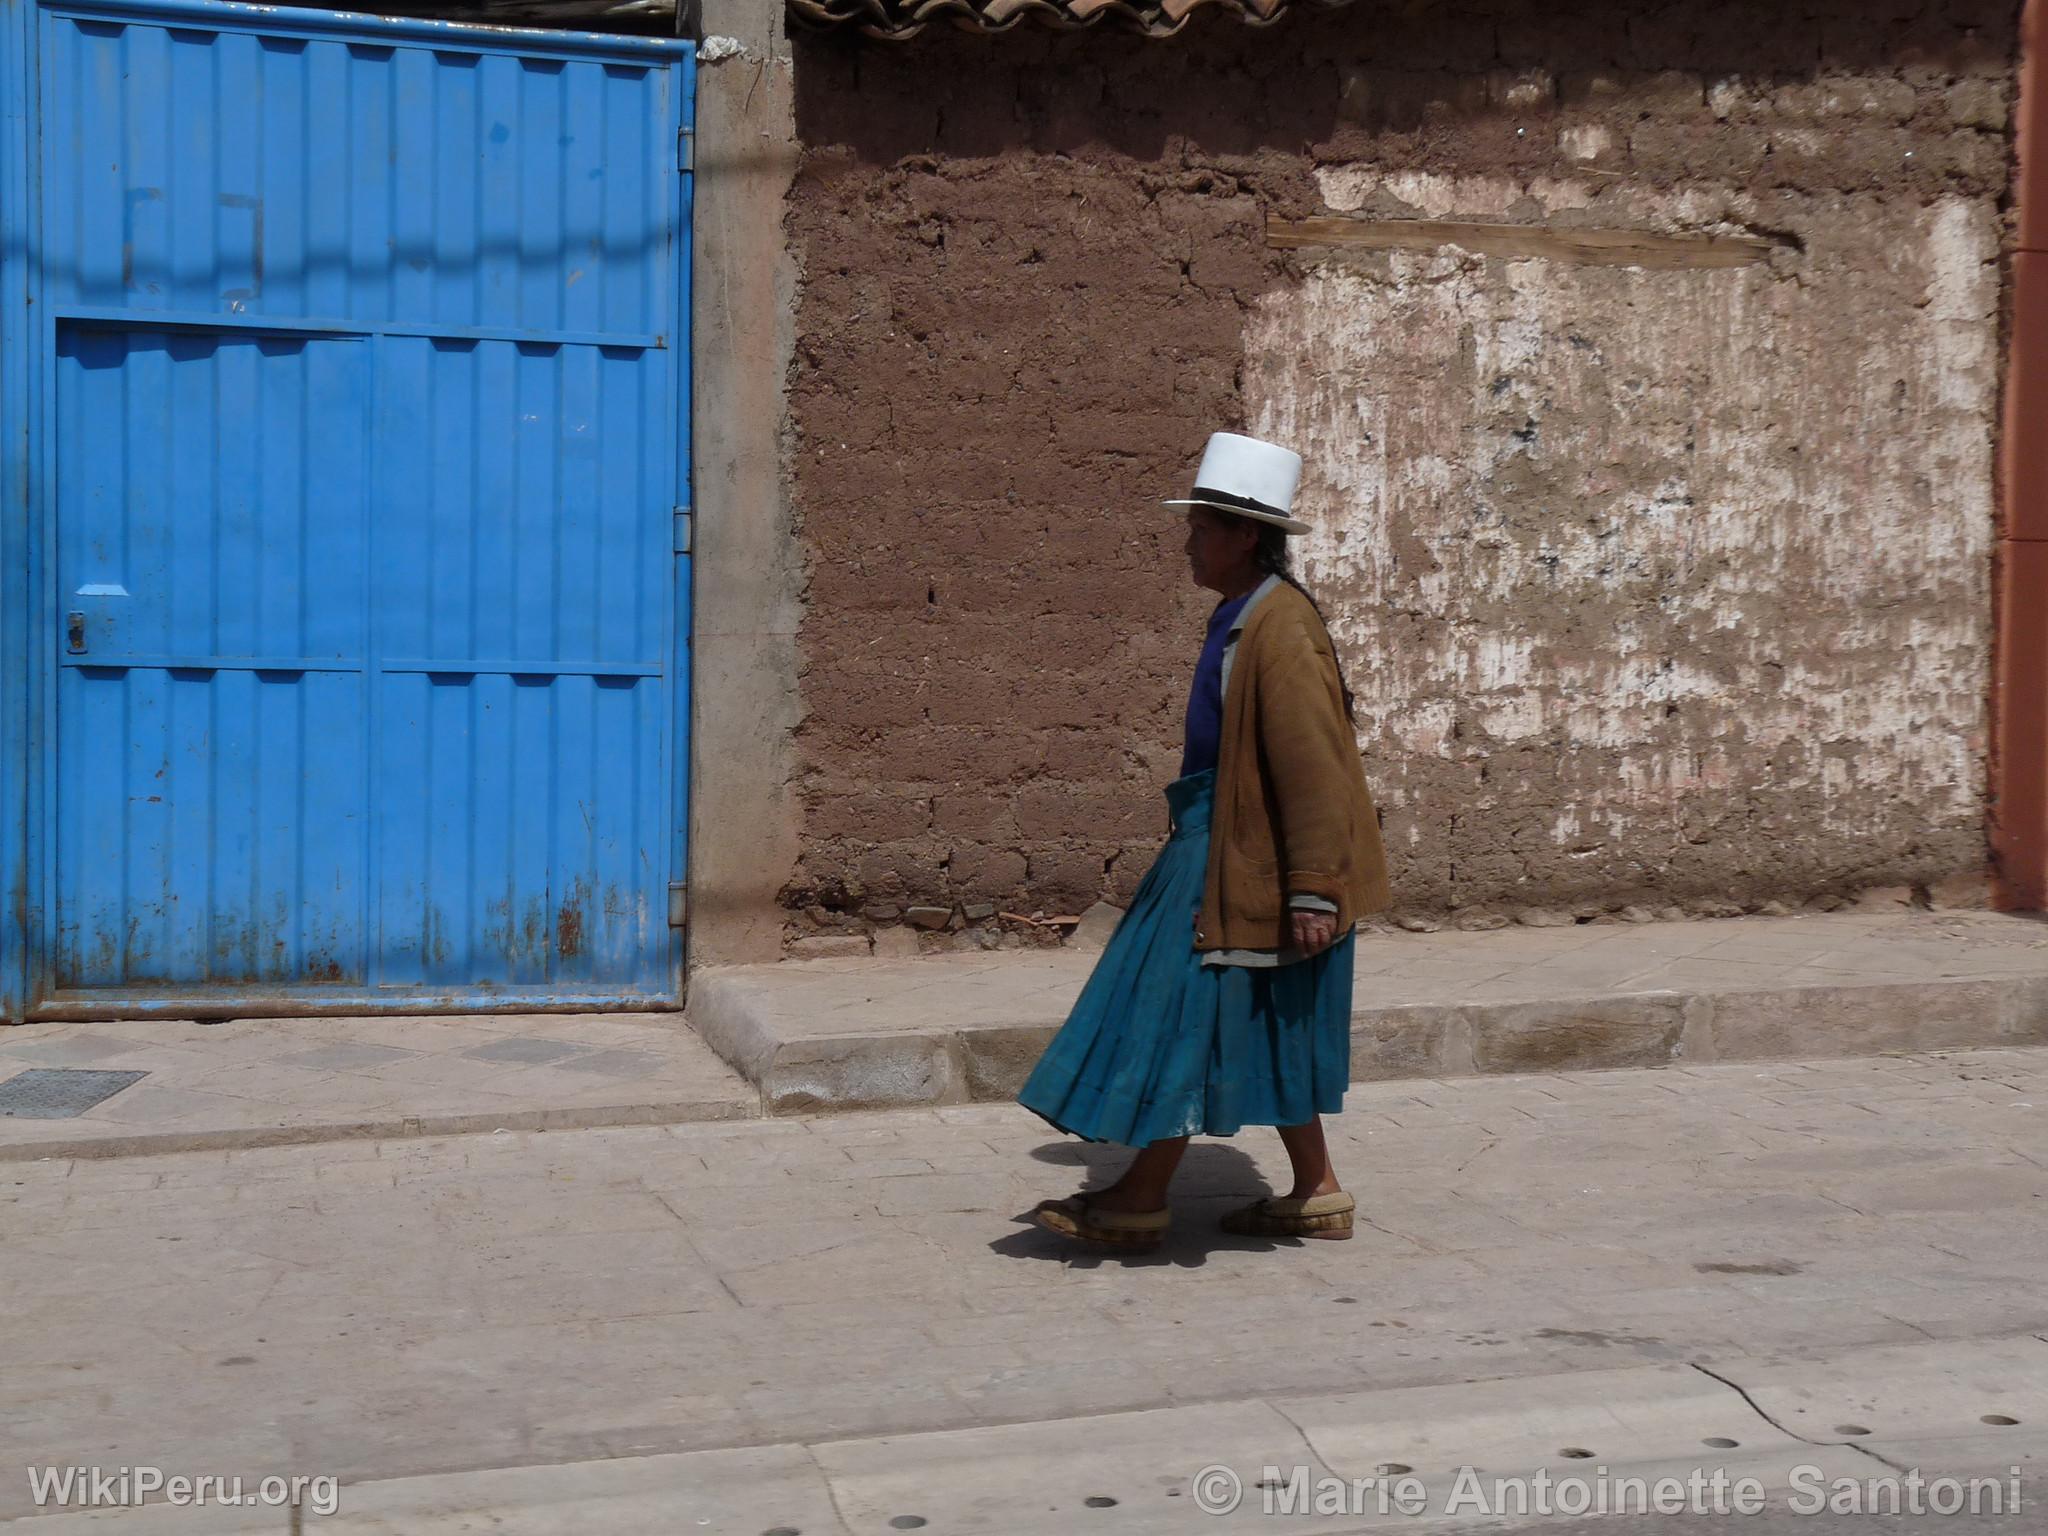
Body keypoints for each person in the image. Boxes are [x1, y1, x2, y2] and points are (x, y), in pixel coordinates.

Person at [1019, 431, 1392, 1249]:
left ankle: (1140, 1197)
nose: (1188, 542)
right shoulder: (1243, 615)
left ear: (1243, 536)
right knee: (1264, 1011)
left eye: (1201, 529)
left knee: (1176, 1012)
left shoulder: (1282, 630)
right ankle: (1317, 1190)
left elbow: (1316, 769)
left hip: (1237, 854)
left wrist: (1310, 890)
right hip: (1211, 836)